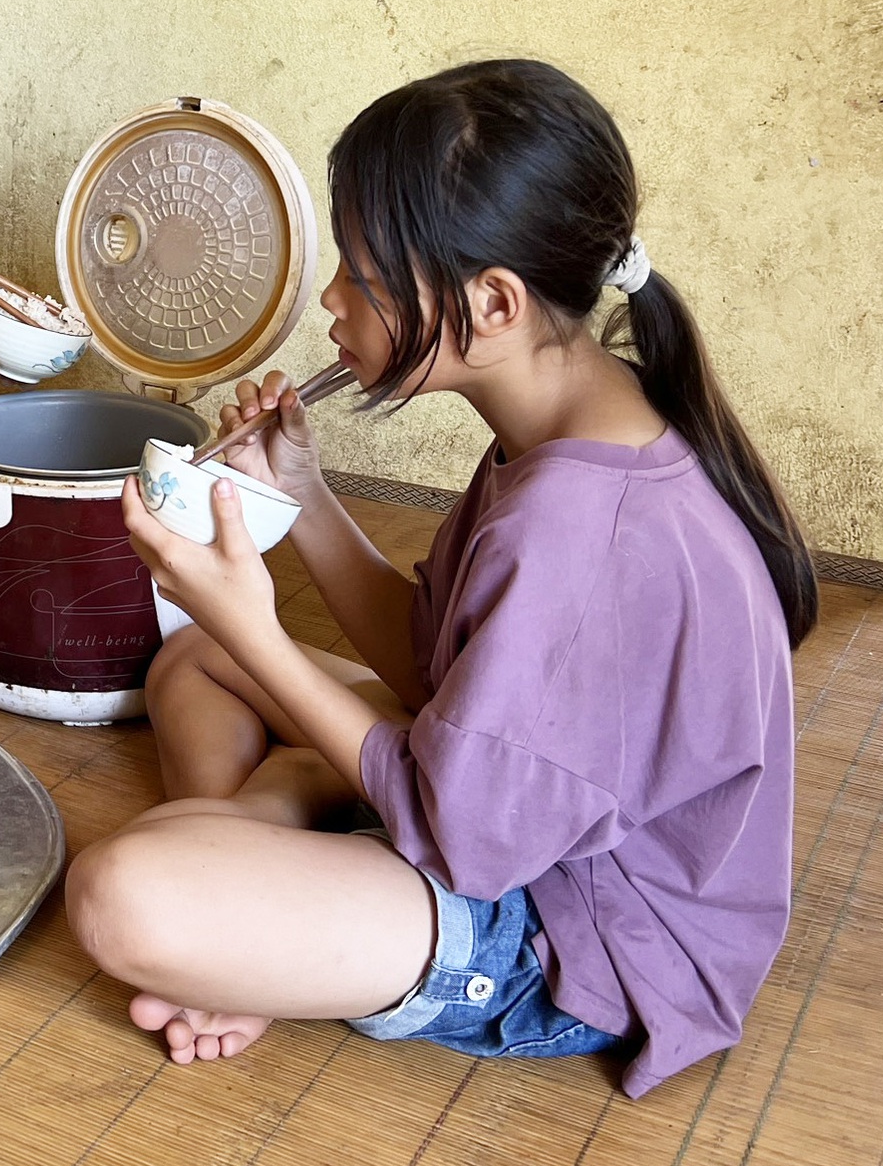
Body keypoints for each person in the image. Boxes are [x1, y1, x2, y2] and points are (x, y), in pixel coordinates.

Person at [65, 59, 813, 1098]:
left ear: (492, 303)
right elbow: (436, 662)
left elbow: (461, 834)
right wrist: (304, 498)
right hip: (500, 805)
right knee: (193, 661)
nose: (331, 298)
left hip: (576, 931)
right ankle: (258, 903)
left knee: (121, 894)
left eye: (363, 276)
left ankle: (247, 909)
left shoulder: (579, 531)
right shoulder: (573, 418)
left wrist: (258, 629)